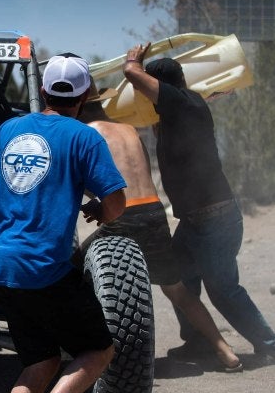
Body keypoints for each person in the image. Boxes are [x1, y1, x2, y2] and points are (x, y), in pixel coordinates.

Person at [0, 54, 127, 393]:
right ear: (87, 94)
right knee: (99, 348)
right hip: (45, 266)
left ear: (42, 92)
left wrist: (18, 202)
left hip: (1, 264)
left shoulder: (10, 128)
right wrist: (99, 211)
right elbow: (116, 202)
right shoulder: (83, 137)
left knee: (39, 359)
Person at [122, 43, 275, 361]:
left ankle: (272, 344)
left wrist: (133, 62)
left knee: (223, 289)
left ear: (162, 86)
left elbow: (132, 73)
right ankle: (199, 341)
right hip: (196, 221)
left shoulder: (181, 103)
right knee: (180, 278)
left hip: (216, 219)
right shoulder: (181, 109)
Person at [76, 88, 242, 372]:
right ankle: (225, 351)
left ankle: (86, 355)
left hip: (122, 214)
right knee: (177, 290)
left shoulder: (87, 133)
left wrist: (94, 202)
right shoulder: (129, 129)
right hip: (153, 210)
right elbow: (136, 172)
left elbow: (100, 183)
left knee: (76, 270)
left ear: (79, 107)